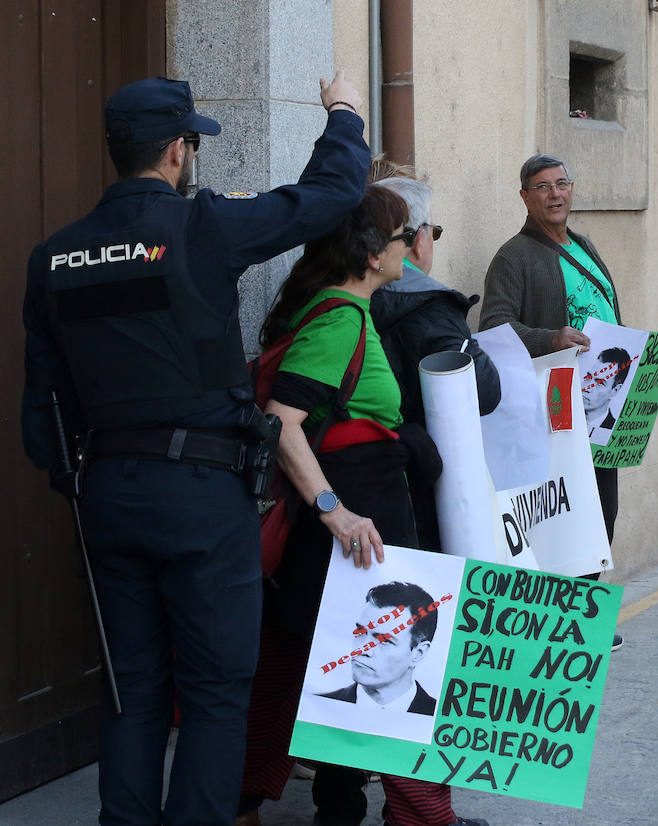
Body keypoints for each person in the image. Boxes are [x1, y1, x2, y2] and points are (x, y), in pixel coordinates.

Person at [20, 73, 368, 826]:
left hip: (107, 495)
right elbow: (331, 195)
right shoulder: (199, 227)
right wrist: (343, 114)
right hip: (204, 499)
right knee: (213, 693)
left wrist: (86, 484)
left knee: (132, 689)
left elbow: (42, 412)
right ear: (178, 151)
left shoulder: (53, 258)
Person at [237, 185, 482, 826]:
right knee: (395, 663)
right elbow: (282, 423)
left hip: (353, 514)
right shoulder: (342, 316)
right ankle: (421, 816)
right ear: (373, 254)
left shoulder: (342, 310)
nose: (412, 247)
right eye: (404, 237)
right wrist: (335, 510)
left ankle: (258, 799)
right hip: (354, 519)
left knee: (302, 657)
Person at [480, 153, 658, 645]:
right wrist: (550, 338)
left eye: (562, 183)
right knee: (562, 517)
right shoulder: (514, 257)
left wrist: (652, 359)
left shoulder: (585, 245)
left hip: (600, 410)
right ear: (525, 196)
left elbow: (607, 324)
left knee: (600, 513)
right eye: (542, 186)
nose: (555, 194)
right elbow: (492, 327)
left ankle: (581, 617)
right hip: (553, 413)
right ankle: (558, 626)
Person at [370, 175, 501, 552]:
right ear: (416, 238)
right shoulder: (431, 306)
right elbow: (484, 391)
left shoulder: (346, 292)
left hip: (361, 485)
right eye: (435, 231)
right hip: (428, 492)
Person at [318, 582, 439, 716]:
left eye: (384, 641)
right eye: (360, 632)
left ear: (418, 653)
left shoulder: (439, 717)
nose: (363, 649)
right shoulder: (317, 705)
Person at [583, 346, 632, 445]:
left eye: (600, 383)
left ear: (615, 390)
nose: (587, 387)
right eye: (588, 377)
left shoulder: (617, 433)